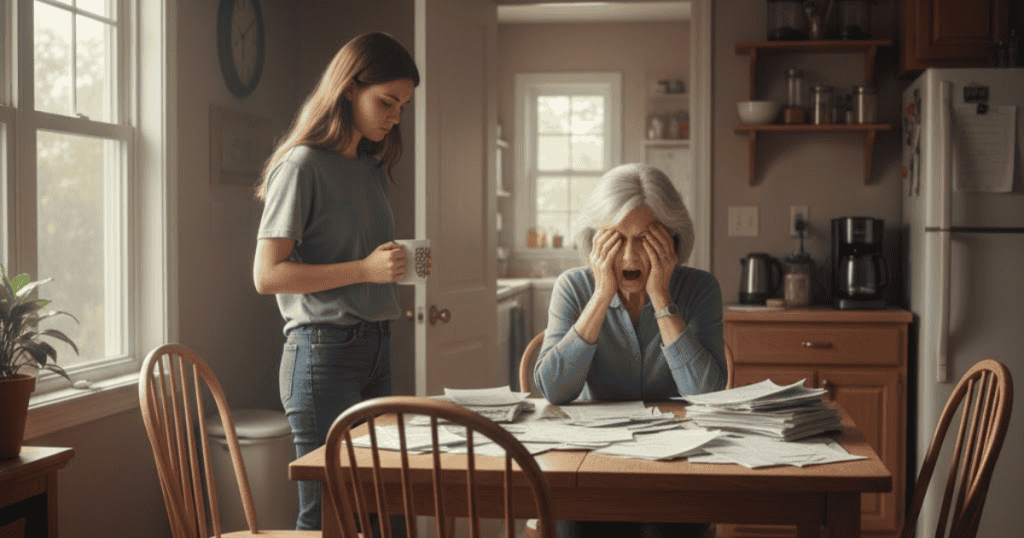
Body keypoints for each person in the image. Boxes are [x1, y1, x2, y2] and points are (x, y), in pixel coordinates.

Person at [252, 32, 419, 532]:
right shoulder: (302, 164)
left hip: (375, 347)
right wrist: (366, 269)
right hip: (322, 354)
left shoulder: (368, 166)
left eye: (402, 106)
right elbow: (267, 275)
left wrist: (389, 264)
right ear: (348, 88)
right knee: (327, 515)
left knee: (378, 506)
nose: (393, 116)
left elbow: (353, 251)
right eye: (385, 101)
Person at [534, 163, 726, 538]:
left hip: (677, 465)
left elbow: (708, 395)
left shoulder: (701, 290)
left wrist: (661, 297)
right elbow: (553, 390)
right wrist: (601, 295)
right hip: (591, 465)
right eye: (617, 239)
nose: (631, 256)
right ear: (595, 240)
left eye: (647, 239)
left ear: (672, 239)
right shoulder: (573, 287)